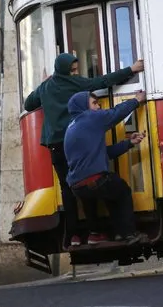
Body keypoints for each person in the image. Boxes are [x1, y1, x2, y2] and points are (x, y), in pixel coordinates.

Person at [24, 53, 144, 248]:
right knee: (88, 180)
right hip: (76, 141)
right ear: (65, 70)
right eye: (72, 70)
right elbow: (103, 81)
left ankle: (73, 235)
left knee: (69, 190)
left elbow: (28, 104)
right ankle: (95, 231)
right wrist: (131, 70)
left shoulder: (46, 87)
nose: (75, 72)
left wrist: (43, 85)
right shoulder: (75, 84)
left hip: (55, 145)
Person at [64, 90, 148, 245]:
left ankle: (118, 234)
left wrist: (129, 143)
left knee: (111, 193)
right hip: (94, 180)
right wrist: (137, 100)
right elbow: (116, 113)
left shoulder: (71, 127)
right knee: (122, 191)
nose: (98, 107)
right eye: (94, 103)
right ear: (83, 106)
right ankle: (129, 234)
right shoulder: (90, 117)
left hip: (77, 187)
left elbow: (102, 153)